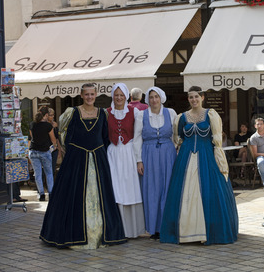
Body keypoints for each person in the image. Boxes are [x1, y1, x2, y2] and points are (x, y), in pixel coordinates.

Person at [40, 83, 126, 249]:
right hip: (76, 159)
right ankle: (73, 234)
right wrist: (66, 150)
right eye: (86, 94)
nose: (89, 97)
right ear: (81, 95)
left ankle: (101, 234)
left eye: (92, 94)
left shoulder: (103, 113)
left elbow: (105, 136)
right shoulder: (72, 112)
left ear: (96, 95)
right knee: (72, 194)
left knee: (101, 195)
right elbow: (63, 134)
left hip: (98, 158)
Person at [160, 86, 238, 245]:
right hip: (185, 157)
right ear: (188, 99)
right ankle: (186, 232)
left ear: (202, 97)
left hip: (207, 156)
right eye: (190, 97)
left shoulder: (211, 115)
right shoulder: (182, 117)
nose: (193, 100)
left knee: (209, 192)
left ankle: (208, 232)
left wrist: (220, 160)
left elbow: (216, 140)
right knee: (183, 193)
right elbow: (178, 138)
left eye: (196, 96)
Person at [133, 86, 177, 240]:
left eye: (156, 96)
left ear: (161, 97)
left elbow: (176, 136)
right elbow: (137, 138)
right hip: (148, 154)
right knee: (152, 190)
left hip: (167, 153)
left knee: (167, 188)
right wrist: (139, 160)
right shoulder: (141, 115)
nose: (154, 100)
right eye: (151, 97)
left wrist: (176, 153)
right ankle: (154, 228)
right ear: (147, 99)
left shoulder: (170, 113)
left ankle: (167, 225)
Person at [107, 83, 146, 238]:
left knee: (131, 189)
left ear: (126, 96)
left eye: (121, 95)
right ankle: (118, 229)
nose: (118, 98)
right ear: (112, 96)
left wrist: (139, 159)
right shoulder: (106, 113)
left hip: (129, 152)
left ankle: (133, 230)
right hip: (113, 154)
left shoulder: (134, 111)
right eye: (116, 95)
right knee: (116, 189)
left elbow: (139, 135)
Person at [29, 106, 57, 201]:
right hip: (45, 151)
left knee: (37, 174)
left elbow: (32, 137)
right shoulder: (48, 126)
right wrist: (54, 146)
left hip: (33, 151)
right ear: (45, 115)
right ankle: (51, 193)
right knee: (49, 173)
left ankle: (41, 194)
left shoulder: (32, 124)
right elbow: (53, 140)